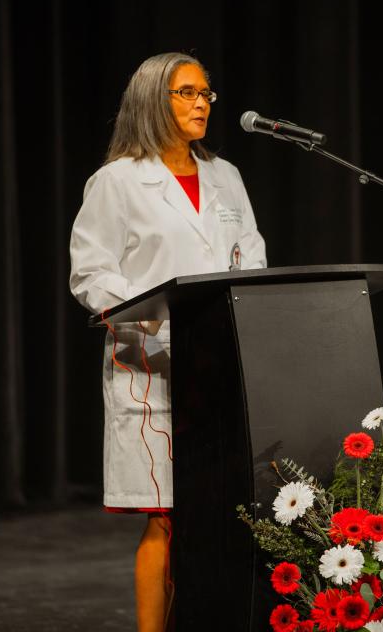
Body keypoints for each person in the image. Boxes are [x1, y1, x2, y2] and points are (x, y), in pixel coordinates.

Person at [68, 53, 267, 631]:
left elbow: (251, 256)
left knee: (217, 512)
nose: (202, 102)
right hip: (148, 357)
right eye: (186, 93)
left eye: (207, 93)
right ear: (153, 99)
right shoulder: (117, 181)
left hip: (222, 358)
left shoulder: (226, 175)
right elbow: (90, 273)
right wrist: (148, 319)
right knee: (165, 517)